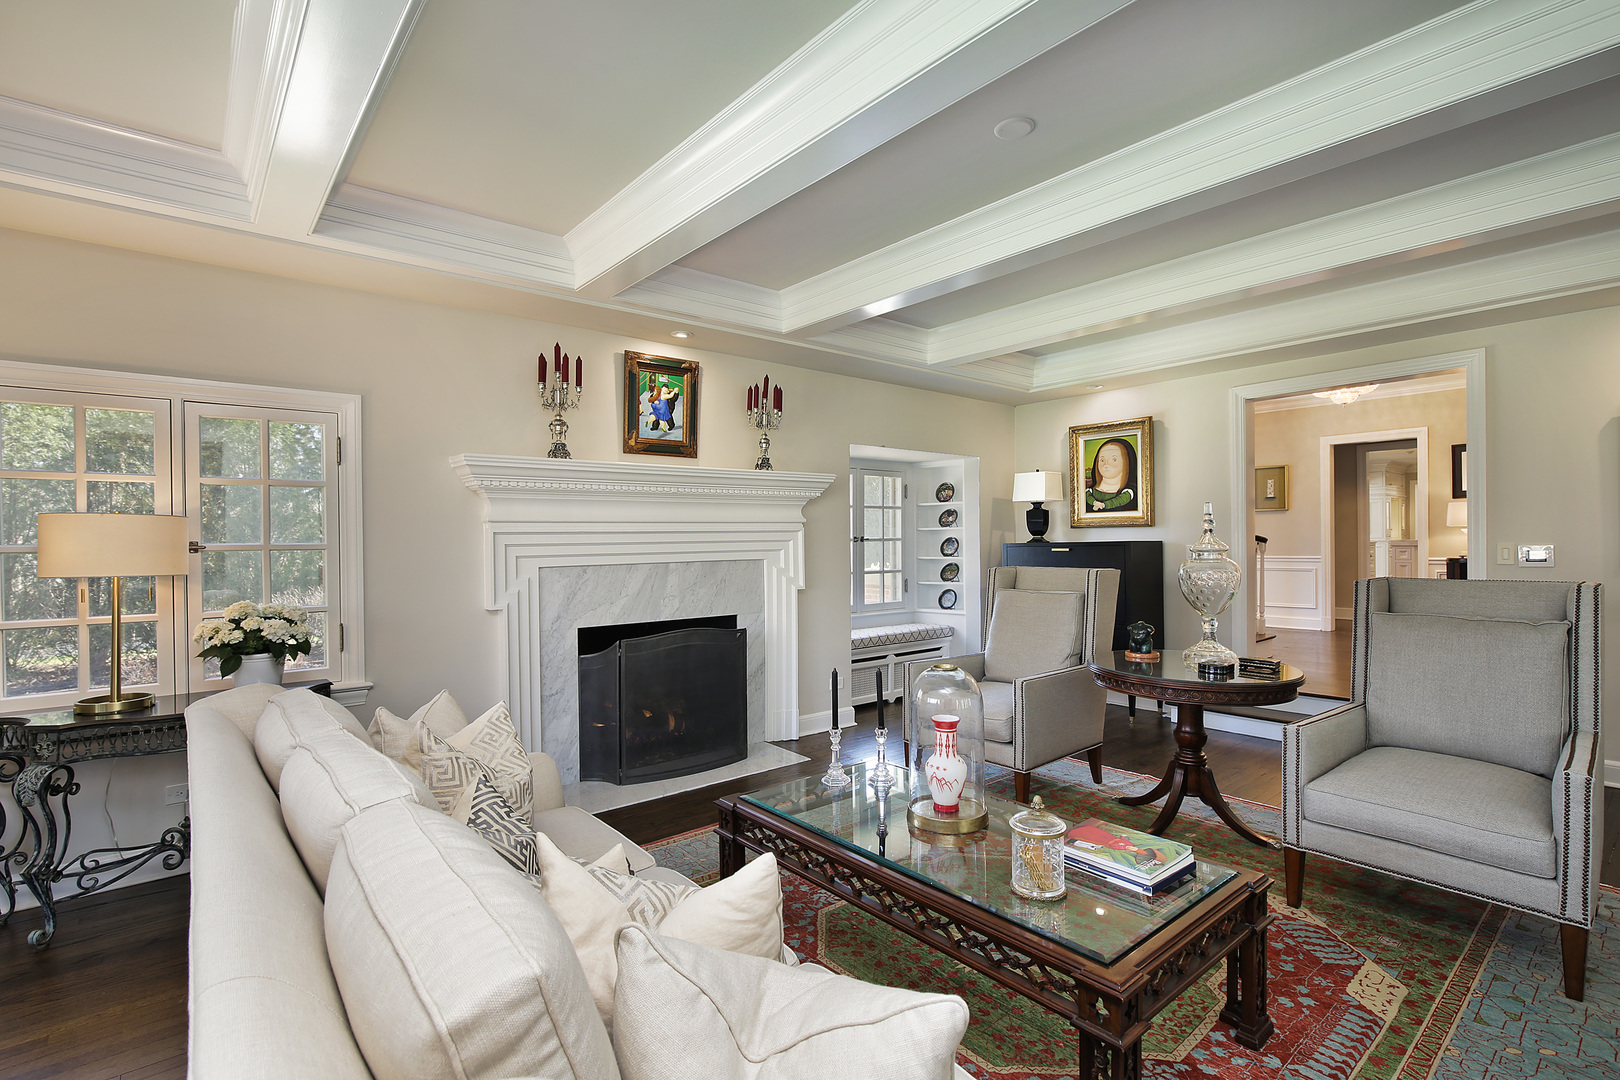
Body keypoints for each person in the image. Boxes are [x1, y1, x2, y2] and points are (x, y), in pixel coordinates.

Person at [1085, 437, 1138, 512]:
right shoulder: (1089, 492)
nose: (1106, 464)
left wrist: (1103, 505)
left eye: (1114, 460)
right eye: (1102, 460)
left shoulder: (1129, 493)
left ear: (1126, 462)